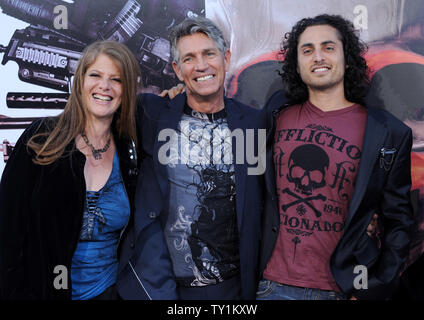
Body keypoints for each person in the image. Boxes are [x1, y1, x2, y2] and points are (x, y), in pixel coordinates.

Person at [257, 14, 414, 300]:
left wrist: (372, 288)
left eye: (328, 47)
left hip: (341, 290)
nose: (318, 57)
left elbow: (399, 221)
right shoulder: (275, 114)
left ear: (346, 56)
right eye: (307, 50)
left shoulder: (387, 133)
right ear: (297, 63)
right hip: (270, 286)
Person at [116, 16, 266, 300]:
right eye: (189, 58)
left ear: (226, 58)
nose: (200, 65)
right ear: (176, 68)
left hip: (234, 287)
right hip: (159, 286)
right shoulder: (152, 113)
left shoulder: (254, 123)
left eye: (209, 53)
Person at [0, 40, 140, 300]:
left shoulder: (129, 151)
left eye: (116, 79)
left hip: (108, 292)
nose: (104, 86)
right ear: (80, 81)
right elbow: (7, 229)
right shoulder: (42, 138)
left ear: (127, 90)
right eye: (95, 75)